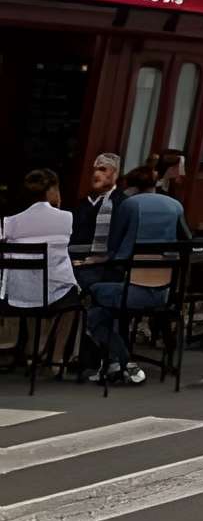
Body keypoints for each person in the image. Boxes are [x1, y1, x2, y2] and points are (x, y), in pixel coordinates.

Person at [86, 165, 190, 385]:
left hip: (131, 288)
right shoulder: (175, 205)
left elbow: (114, 245)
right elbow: (186, 241)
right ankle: (120, 361)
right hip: (164, 290)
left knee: (96, 300)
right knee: (111, 300)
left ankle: (120, 359)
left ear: (130, 187)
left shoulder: (129, 205)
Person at [2, 168, 80, 323]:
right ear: (52, 190)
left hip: (18, 296)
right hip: (54, 297)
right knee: (73, 295)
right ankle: (56, 347)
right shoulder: (66, 219)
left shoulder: (8, 223)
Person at [71, 153, 122, 257]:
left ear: (115, 174)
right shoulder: (82, 203)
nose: (96, 174)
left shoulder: (122, 203)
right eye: (94, 170)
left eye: (102, 170)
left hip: (105, 264)